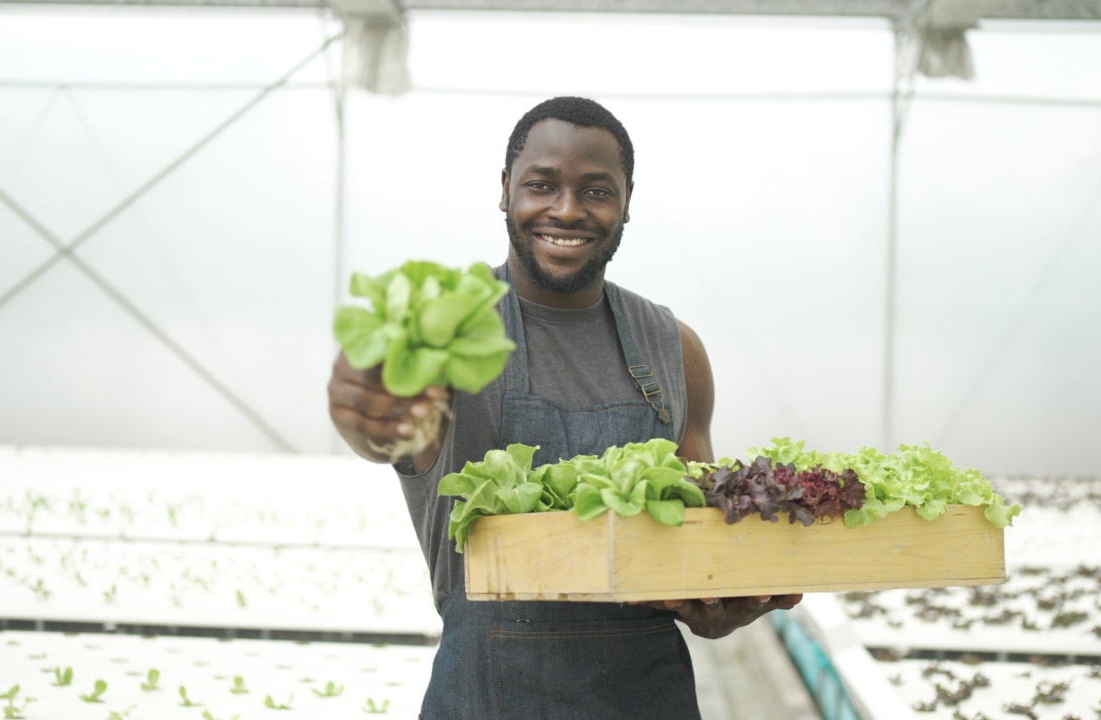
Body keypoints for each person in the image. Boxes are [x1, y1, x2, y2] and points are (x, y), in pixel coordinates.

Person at [328, 96, 802, 719]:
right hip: (487, 695)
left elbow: (697, 541)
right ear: (505, 191)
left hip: (646, 697)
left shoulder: (674, 348)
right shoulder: (452, 332)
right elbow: (385, 431)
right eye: (541, 185)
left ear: (628, 201)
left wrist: (720, 601)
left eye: (596, 190)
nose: (567, 210)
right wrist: (362, 410)